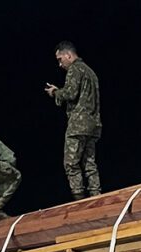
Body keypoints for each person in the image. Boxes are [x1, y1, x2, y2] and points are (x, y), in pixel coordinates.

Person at [44, 40, 102, 200]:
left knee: (71, 163)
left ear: (68, 55)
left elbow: (70, 94)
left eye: (60, 59)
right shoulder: (90, 72)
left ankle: (79, 200)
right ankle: (97, 196)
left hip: (78, 124)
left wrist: (55, 92)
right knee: (89, 163)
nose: (60, 64)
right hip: (93, 124)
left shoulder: (75, 69)